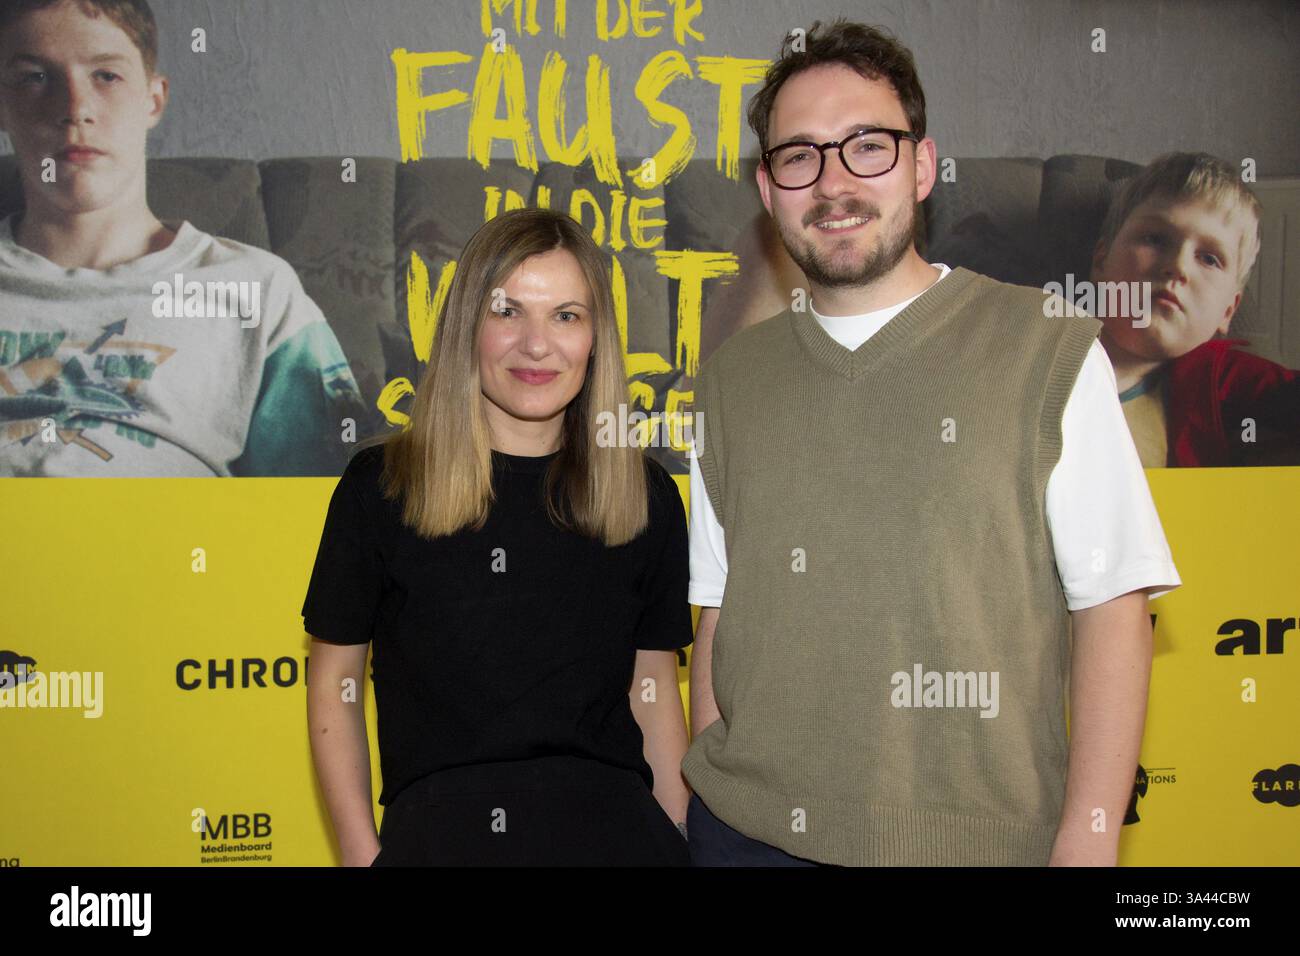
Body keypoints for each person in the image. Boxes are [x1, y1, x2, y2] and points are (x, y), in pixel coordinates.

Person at [682, 20, 1182, 866]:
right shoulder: (731, 380)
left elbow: (1113, 611)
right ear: (769, 190)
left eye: (866, 147)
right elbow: (719, 609)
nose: (833, 181)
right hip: (746, 838)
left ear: (921, 165)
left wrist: (1087, 843)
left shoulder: (1048, 346)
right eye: (800, 156)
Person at [302, 207, 693, 866]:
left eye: (566, 315)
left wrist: (685, 846)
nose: (536, 345)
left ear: (596, 337)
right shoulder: (383, 486)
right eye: (508, 311)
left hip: (620, 841)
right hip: (440, 839)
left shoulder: (644, 493)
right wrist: (360, 856)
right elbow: (335, 682)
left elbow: (651, 694)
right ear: (466, 327)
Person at [0, 0, 366, 476]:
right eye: (35, 77)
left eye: (106, 76)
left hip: (177, 547)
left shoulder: (255, 289)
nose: (76, 109)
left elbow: (334, 504)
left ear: (153, 100)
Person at [1089, 151, 1300, 467]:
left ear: (1228, 311)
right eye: (1155, 239)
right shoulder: (1040, 339)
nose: (1177, 266)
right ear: (1101, 259)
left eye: (1209, 258)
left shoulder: (1221, 378)